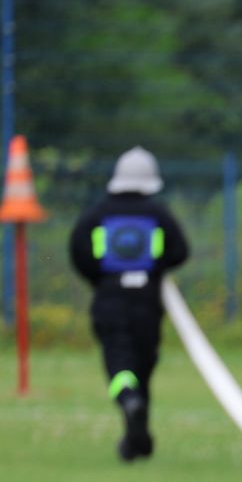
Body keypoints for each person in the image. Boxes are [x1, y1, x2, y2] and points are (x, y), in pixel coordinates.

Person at [67, 147, 190, 463]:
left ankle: (129, 405)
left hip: (110, 300)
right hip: (147, 303)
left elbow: (77, 251)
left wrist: (100, 279)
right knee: (143, 367)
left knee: (119, 366)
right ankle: (138, 438)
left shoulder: (97, 213)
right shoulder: (158, 214)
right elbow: (180, 251)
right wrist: (154, 269)